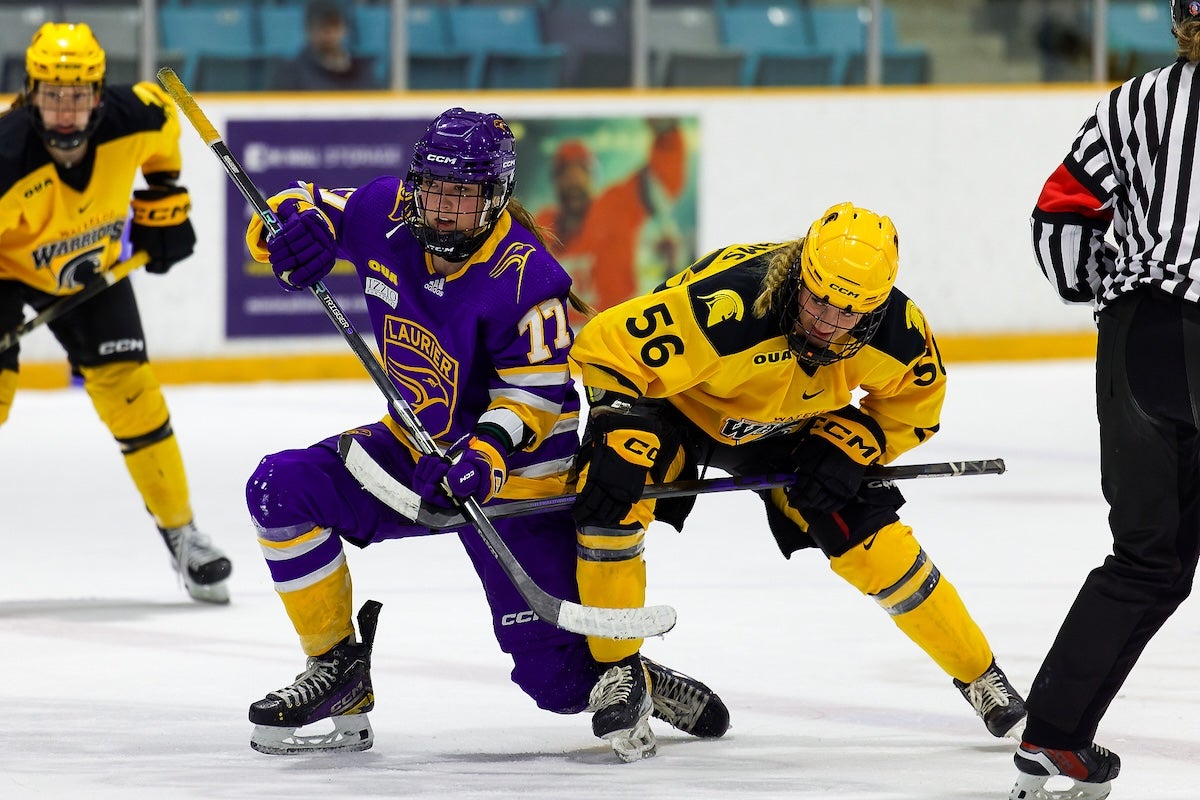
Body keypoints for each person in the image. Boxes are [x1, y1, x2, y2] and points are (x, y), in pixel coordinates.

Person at [241, 107, 729, 758]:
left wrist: (481, 457)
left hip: (515, 482)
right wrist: (281, 233)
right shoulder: (385, 211)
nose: (443, 210)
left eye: (463, 197)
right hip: (415, 450)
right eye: (435, 190)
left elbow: (531, 397)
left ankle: (633, 674)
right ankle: (339, 674)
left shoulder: (527, 278)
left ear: (495, 199)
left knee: (556, 685)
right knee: (281, 490)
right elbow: (297, 205)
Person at [567, 202, 1028, 758]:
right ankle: (621, 669)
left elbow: (915, 409)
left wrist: (861, 438)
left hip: (794, 428)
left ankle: (981, 677)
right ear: (801, 274)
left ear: (877, 305)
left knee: (871, 538)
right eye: (820, 300)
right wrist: (618, 421)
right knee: (611, 496)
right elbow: (604, 344)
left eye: (850, 312)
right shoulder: (728, 305)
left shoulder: (900, 332)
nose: (829, 323)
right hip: (680, 409)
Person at [1011, 3, 1200, 798]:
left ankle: (1055, 736)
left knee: (1146, 560)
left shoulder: (1132, 101)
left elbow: (1059, 215)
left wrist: (1110, 293)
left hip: (1139, 345)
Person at [0, 23, 231, 603]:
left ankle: (182, 534)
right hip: (5, 269)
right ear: (29, 93)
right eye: (53, 94)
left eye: (78, 94)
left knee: (134, 393)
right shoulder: (5, 158)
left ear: (99, 93)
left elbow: (165, 131)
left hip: (90, 264)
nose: (67, 110)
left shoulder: (138, 115)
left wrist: (164, 201)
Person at [534, 119, 686, 315]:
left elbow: (663, 180)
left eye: (581, 171)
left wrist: (667, 133)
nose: (573, 181)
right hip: (564, 338)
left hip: (617, 329)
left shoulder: (615, 206)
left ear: (593, 177)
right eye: (565, 173)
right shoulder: (541, 224)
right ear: (555, 181)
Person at [268, 0, 382, 92]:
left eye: (334, 25)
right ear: (308, 30)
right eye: (322, 26)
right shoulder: (291, 74)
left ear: (345, 29)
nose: (329, 33)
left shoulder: (362, 71)